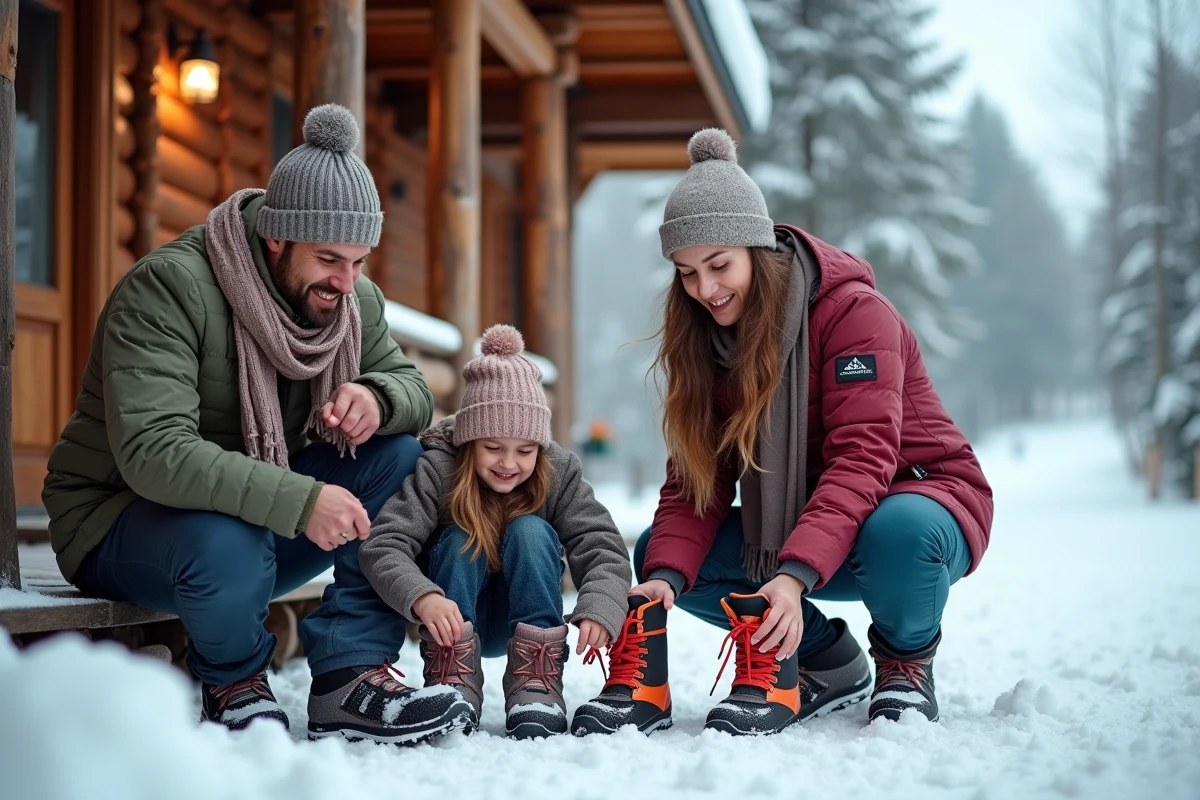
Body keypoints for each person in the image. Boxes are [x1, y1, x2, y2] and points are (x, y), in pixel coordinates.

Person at [42, 104, 474, 744]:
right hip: (120, 519)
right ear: (276, 238)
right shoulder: (169, 289)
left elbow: (412, 388)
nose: (346, 282)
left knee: (403, 458)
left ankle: (350, 677)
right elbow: (154, 452)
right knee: (229, 537)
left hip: (255, 511)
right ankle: (233, 682)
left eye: (359, 262)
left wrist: (377, 398)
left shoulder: (350, 300)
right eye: (330, 260)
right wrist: (300, 501)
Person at [574, 128, 994, 737]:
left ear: (756, 247)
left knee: (896, 530)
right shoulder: (711, 342)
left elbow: (863, 458)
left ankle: (905, 663)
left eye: (719, 266)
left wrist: (794, 576)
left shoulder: (854, 315)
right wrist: (662, 580)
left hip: (921, 506)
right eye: (687, 273)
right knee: (663, 559)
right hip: (816, 527)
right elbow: (698, 483)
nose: (705, 290)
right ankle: (827, 660)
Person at [359, 324, 632, 740]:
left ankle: (534, 684)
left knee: (531, 530)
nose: (509, 463)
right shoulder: (439, 470)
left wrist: (600, 605)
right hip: (453, 616)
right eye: (493, 447)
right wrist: (423, 595)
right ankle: (453, 679)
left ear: (540, 448)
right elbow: (384, 544)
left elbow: (601, 544)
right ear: (469, 441)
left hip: (524, 616)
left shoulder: (557, 472)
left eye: (525, 451)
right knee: (457, 536)